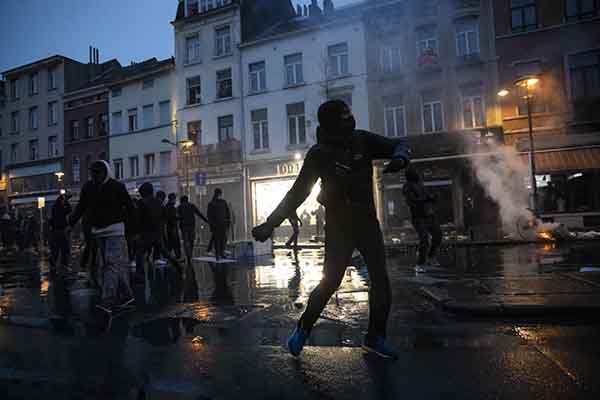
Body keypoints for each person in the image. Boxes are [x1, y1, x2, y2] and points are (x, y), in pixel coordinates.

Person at [252, 100, 409, 359]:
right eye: (344, 117)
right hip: (339, 225)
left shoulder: (362, 140)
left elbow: (398, 144)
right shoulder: (319, 153)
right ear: (331, 123)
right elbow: (298, 192)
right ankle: (303, 328)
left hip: (367, 221)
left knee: (380, 280)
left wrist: (400, 157)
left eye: (351, 114)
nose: (351, 120)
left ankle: (375, 337)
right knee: (330, 281)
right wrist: (271, 223)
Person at [69, 160, 136, 312]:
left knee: (111, 264)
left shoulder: (117, 187)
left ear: (106, 172)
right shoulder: (88, 187)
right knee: (110, 264)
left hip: (115, 230)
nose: (95, 175)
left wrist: (131, 231)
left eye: (98, 172)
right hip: (98, 231)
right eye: (93, 172)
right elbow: (81, 207)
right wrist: (70, 223)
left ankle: (108, 300)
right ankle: (127, 295)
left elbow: (130, 208)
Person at [402, 167, 442, 273]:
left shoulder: (420, 184)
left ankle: (431, 257)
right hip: (418, 218)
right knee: (424, 240)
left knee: (438, 235)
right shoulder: (407, 186)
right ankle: (420, 264)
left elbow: (425, 196)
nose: (417, 174)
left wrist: (432, 198)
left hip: (429, 215)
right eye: (415, 172)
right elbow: (411, 201)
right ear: (410, 175)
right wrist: (427, 199)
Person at [135, 182, 178, 277]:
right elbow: (165, 216)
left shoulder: (141, 202)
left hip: (145, 233)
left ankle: (139, 275)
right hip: (157, 232)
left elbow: (138, 218)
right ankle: (177, 264)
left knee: (139, 254)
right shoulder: (159, 202)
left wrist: (137, 232)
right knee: (164, 251)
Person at [177, 195, 209, 265]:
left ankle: (188, 255)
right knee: (191, 240)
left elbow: (177, 217)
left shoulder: (179, 207)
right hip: (191, 226)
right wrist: (206, 220)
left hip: (183, 226)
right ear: (187, 200)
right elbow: (199, 214)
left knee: (186, 241)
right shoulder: (192, 205)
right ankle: (190, 253)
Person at [49, 194, 72, 273]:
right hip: (60, 230)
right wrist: (66, 201)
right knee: (64, 249)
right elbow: (69, 210)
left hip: (55, 231)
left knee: (55, 249)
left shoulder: (54, 207)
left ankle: (53, 265)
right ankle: (63, 265)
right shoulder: (60, 208)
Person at [207, 188, 231, 260]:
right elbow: (228, 213)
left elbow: (209, 215)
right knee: (223, 239)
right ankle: (221, 253)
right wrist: (228, 221)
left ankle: (218, 254)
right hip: (223, 223)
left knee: (217, 240)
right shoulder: (223, 202)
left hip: (216, 225)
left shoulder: (211, 203)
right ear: (220, 194)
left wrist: (211, 225)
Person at [165, 193, 182, 260]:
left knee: (170, 243)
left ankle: (169, 257)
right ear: (172, 199)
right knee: (176, 243)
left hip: (169, 228)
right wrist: (178, 217)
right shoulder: (172, 208)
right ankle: (178, 257)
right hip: (173, 228)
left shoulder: (166, 206)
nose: (175, 201)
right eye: (175, 199)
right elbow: (172, 218)